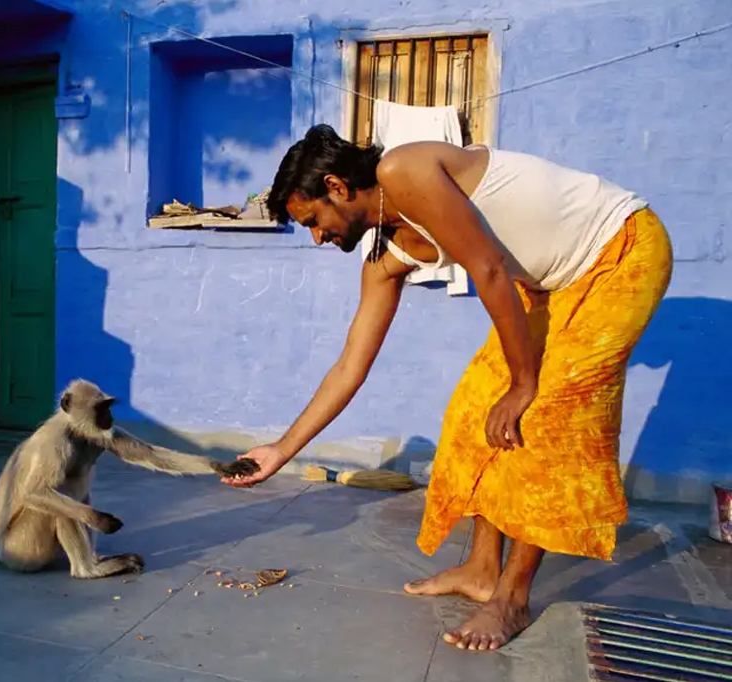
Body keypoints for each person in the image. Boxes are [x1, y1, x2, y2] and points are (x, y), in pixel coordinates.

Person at [220, 124, 673, 652]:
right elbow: (350, 366)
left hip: (621, 250)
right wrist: (281, 448)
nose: (318, 237)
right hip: (552, 284)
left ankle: (512, 598)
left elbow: (487, 267)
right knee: (474, 409)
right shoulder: (384, 260)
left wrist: (525, 383)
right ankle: (482, 568)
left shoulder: (403, 170)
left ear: (338, 187)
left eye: (314, 221)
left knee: (547, 416)